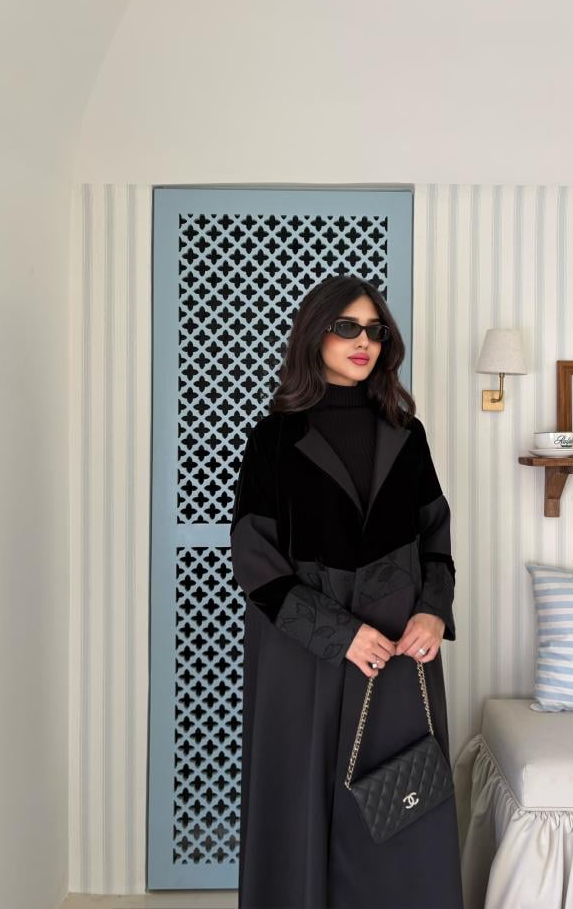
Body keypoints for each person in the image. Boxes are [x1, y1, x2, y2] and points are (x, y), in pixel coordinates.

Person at [230, 274, 463, 908]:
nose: (364, 342)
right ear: (316, 335)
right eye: (347, 328)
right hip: (302, 653)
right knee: (301, 801)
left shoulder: (407, 432)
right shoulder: (274, 439)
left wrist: (432, 613)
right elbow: (255, 560)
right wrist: (341, 634)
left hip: (397, 647)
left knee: (399, 803)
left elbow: (435, 535)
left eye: (375, 330)